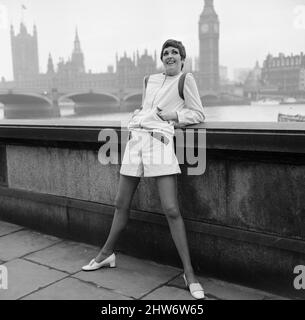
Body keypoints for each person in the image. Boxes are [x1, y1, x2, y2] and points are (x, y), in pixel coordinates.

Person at [82, 39, 205, 300]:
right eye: (165, 53)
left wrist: (171, 117)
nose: (169, 56)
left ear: (182, 59)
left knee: (171, 209)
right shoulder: (149, 80)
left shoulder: (186, 80)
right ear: (161, 58)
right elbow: (145, 108)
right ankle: (106, 254)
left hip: (159, 143)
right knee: (120, 203)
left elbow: (198, 114)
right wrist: (139, 116)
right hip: (136, 140)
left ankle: (189, 272)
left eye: (175, 53)